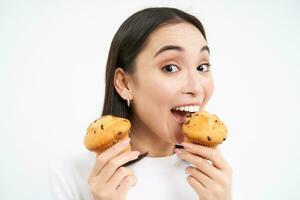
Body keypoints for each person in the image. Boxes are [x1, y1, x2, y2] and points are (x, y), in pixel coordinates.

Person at [49, 7, 232, 200]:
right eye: (170, 68)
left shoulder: (219, 177)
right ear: (124, 82)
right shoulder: (71, 175)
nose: (196, 87)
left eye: (202, 67)